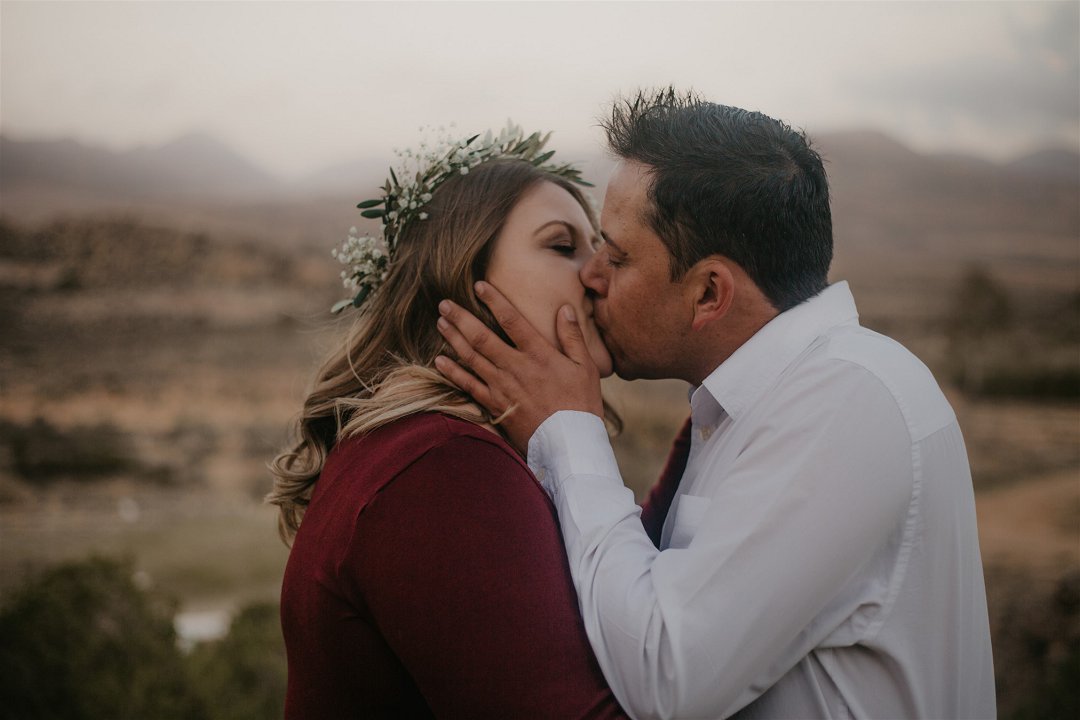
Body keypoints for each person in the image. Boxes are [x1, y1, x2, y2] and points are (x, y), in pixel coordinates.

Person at [434, 90, 996, 719]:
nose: (592, 277)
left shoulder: (845, 401)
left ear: (708, 293)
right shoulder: (754, 403)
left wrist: (571, 431)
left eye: (616, 257)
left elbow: (668, 677)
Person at [267, 124, 628, 719]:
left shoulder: (432, 450)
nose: (598, 273)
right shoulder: (441, 469)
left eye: (599, 246)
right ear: (463, 276)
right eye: (563, 246)